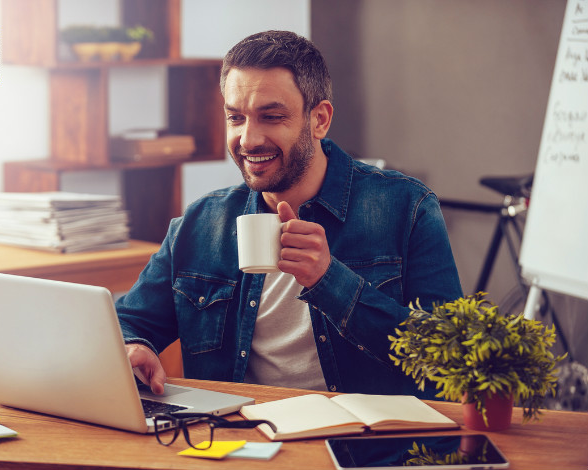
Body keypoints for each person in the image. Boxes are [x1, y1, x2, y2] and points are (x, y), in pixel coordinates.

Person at [116, 30, 463, 398]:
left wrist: (330, 281)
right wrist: (134, 345)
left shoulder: (406, 208)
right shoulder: (201, 223)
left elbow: (452, 358)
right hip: (239, 439)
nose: (248, 139)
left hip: (363, 446)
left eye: (272, 116)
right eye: (236, 118)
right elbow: (128, 322)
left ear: (320, 119)